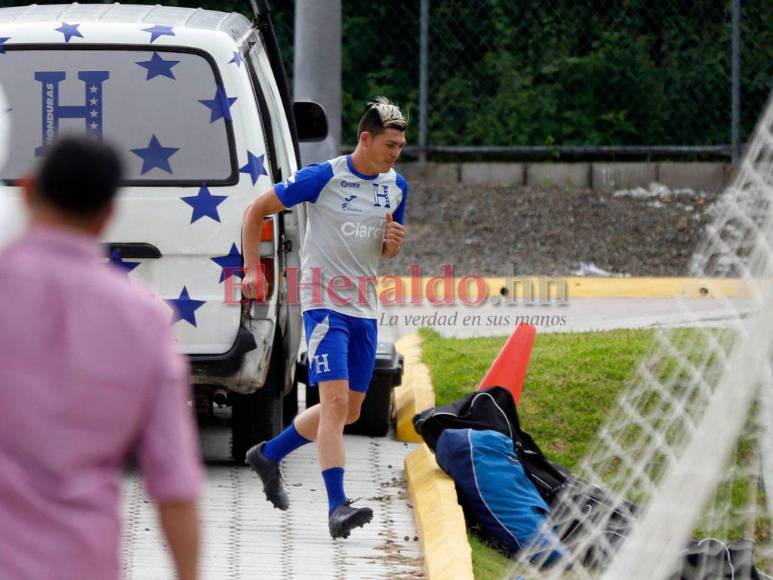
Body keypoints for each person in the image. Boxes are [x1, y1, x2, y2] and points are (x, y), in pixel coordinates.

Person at [0, 137, 203, 580]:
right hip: (78, 560)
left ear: (29, 190)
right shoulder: (146, 321)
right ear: (108, 215)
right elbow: (174, 484)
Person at [241, 97, 408, 539]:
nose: (395, 153)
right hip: (324, 305)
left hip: (365, 311)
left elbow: (387, 250)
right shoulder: (324, 178)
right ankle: (337, 506)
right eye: (389, 144)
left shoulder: (397, 186)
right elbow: (255, 210)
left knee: (349, 411)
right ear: (365, 139)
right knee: (333, 405)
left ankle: (268, 454)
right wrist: (251, 268)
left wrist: (392, 244)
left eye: (401, 146)